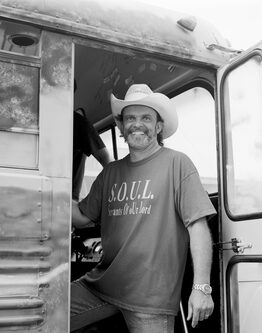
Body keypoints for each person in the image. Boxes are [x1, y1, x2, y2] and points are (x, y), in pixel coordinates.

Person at [70, 84, 216, 331]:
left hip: (149, 299)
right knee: (43, 312)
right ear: (122, 127)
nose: (137, 124)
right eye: (130, 118)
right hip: (100, 286)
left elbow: (198, 226)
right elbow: (83, 217)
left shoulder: (177, 164)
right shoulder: (110, 173)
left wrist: (201, 288)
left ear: (158, 127)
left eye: (146, 118)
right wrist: (48, 191)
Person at [72, 107, 114, 201]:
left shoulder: (78, 122)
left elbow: (107, 162)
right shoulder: (79, 122)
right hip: (68, 198)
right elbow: (107, 160)